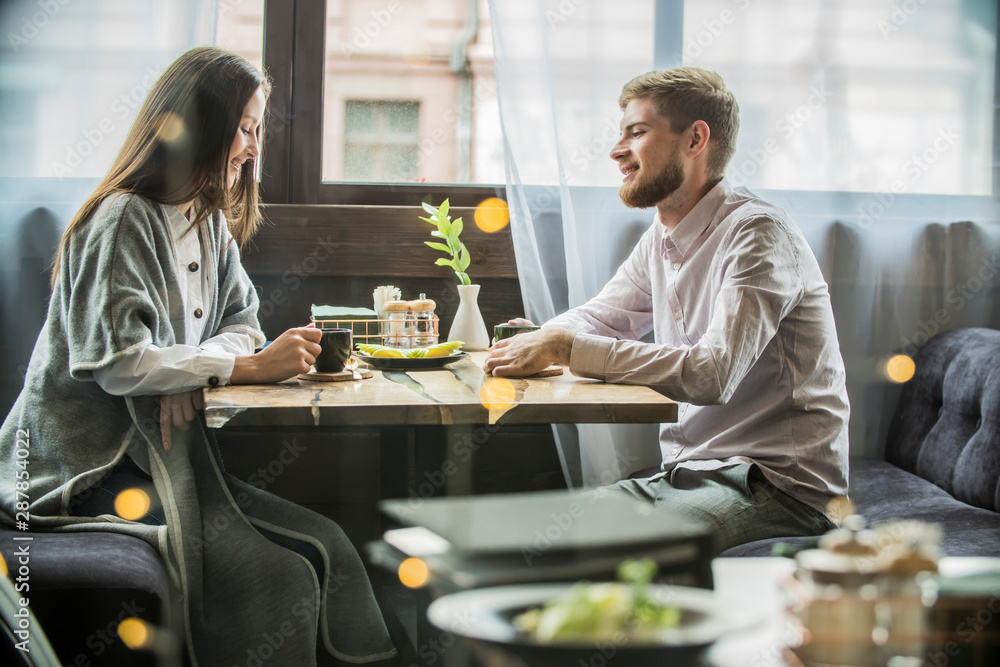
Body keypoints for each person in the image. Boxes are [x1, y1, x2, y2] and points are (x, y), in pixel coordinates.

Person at [0, 47, 399, 666]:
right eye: (244, 128)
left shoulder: (207, 223)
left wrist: (190, 367)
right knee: (279, 574)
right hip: (74, 473)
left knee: (330, 542)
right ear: (200, 128)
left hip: (160, 462)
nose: (252, 147)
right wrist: (238, 367)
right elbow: (115, 363)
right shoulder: (122, 220)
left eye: (256, 129)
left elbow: (243, 320)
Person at [484, 67, 850, 552]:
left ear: (696, 138)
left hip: (778, 489)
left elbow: (712, 374)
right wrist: (540, 338)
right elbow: (599, 316)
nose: (617, 151)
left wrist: (565, 347)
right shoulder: (661, 238)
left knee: (593, 554)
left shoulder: (758, 235)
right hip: (688, 474)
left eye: (637, 132)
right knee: (528, 543)